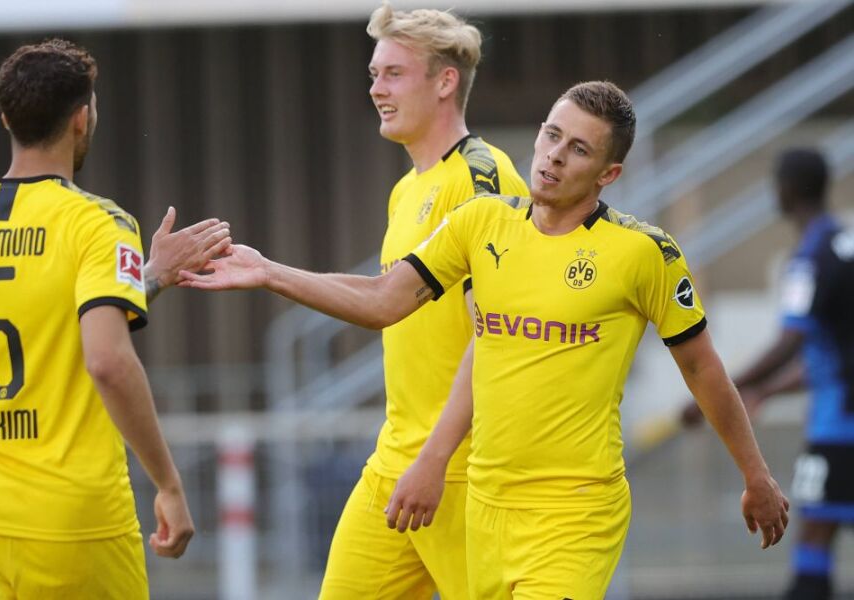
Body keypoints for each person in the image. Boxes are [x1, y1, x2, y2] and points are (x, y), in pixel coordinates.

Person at [181, 80, 790, 599]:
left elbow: (702, 369)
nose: (553, 156)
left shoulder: (643, 253)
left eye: (578, 149)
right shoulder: (483, 222)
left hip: (576, 511)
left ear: (609, 174)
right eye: (551, 135)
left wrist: (755, 474)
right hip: (486, 508)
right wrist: (269, 273)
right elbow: (383, 300)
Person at [0, 39, 206, 599]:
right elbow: (108, 361)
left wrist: (149, 278)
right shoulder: (101, 223)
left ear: (5, 119)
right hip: (74, 519)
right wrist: (168, 484)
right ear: (80, 118)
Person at [316, 3, 528, 598]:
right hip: (393, 464)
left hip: (460, 474)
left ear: (445, 81)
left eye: (393, 74)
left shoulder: (484, 178)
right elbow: (384, 299)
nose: (376, 90)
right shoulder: (405, 190)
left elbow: (495, 336)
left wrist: (435, 461)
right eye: (373, 75)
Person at [682, 148, 852, 600]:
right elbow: (835, 354)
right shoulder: (844, 246)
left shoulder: (811, 258)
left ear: (788, 188)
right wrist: (769, 391)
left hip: (839, 428)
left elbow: (789, 343)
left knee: (813, 539)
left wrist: (719, 391)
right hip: (840, 415)